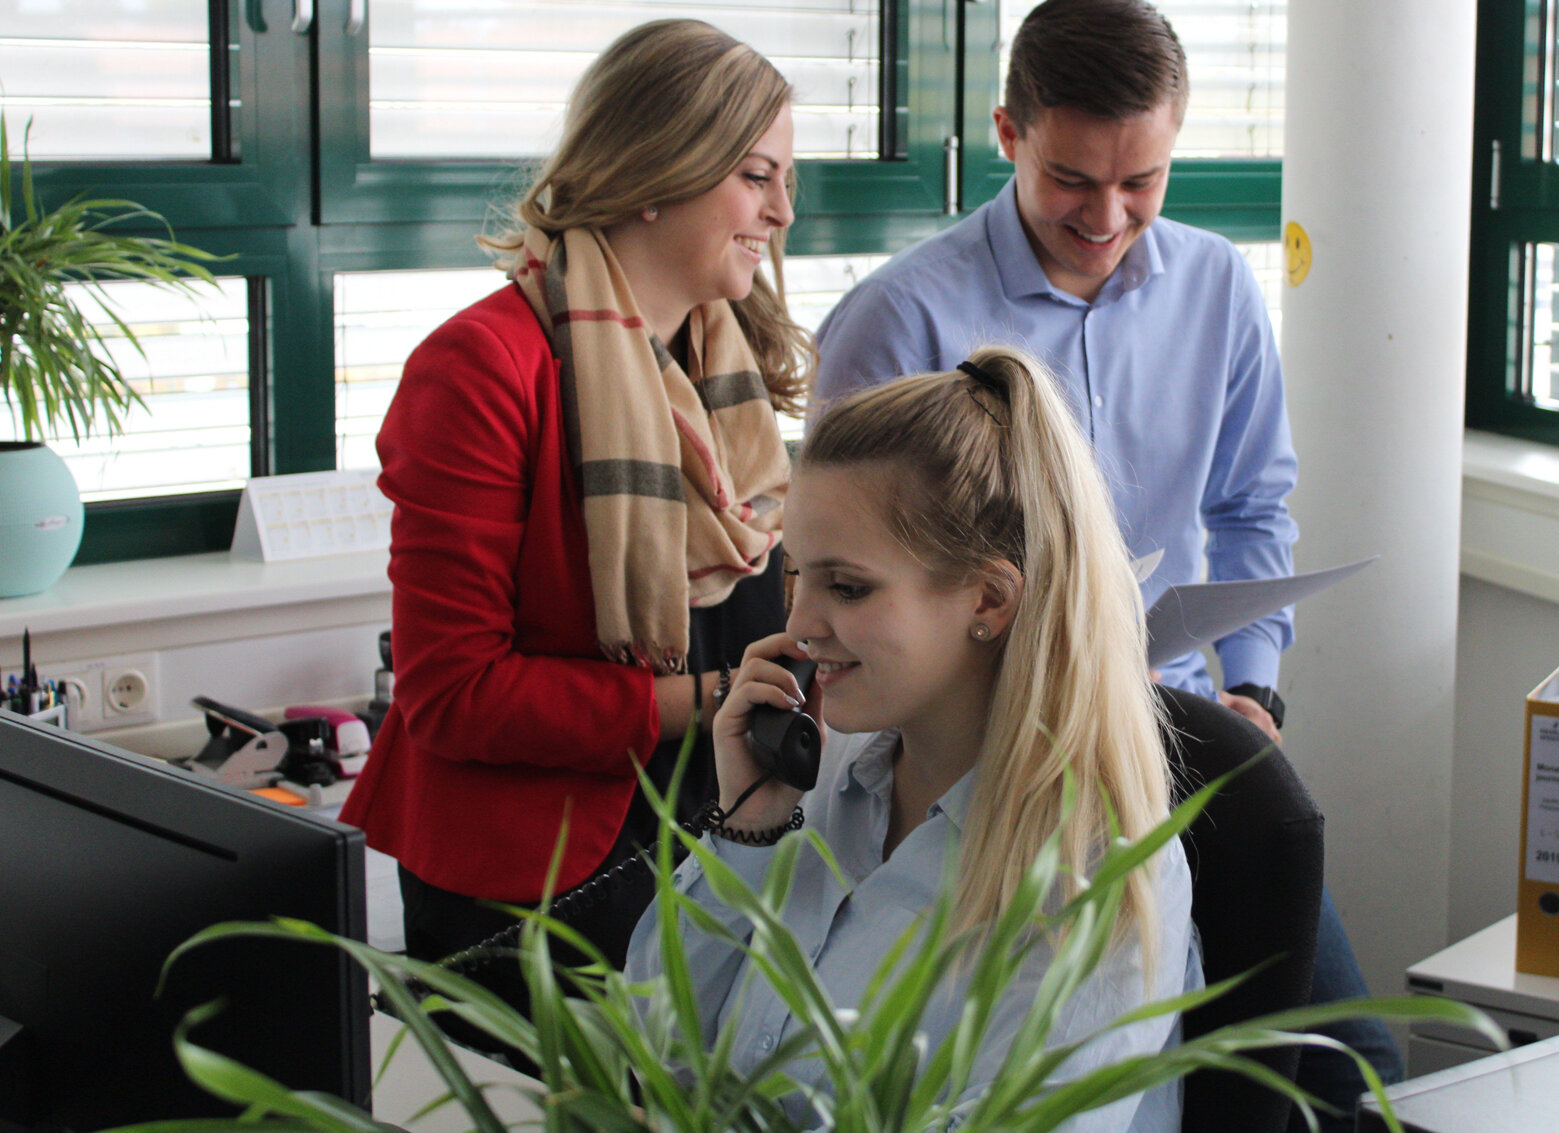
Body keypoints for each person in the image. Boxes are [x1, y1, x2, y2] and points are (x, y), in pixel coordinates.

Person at [811, 0, 1403, 1118]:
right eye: (1073, 179)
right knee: (1062, 1086)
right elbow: (856, 583)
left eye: (1142, 180)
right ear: (1006, 133)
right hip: (992, 772)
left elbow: (1248, 501)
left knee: (1349, 1073)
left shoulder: (1217, 288)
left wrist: (1254, 680)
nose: (1108, 214)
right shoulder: (897, 320)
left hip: (1179, 727)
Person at [339, 18, 812, 1023]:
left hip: (715, 837)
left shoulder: (718, 368)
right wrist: (716, 697)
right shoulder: (480, 366)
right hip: (539, 883)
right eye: (755, 174)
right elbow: (454, 694)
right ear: (656, 169)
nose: (782, 210)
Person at [628, 347, 1199, 1132]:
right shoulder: (813, 780)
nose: (797, 626)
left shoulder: (1093, 871)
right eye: (795, 577)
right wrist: (745, 832)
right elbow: (655, 1056)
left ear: (989, 600)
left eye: (848, 586)